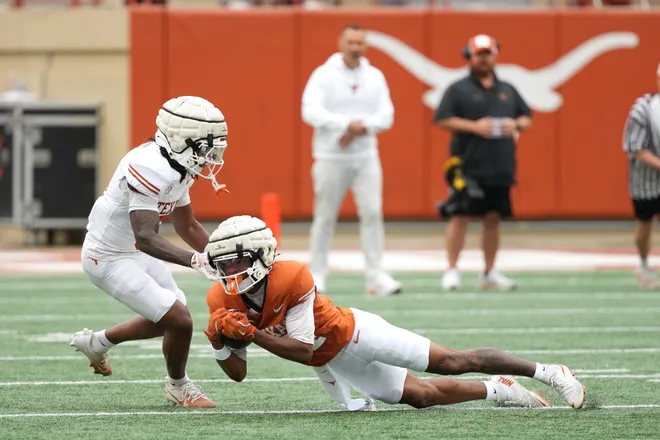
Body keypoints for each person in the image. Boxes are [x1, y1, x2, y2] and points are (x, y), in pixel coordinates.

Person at [201, 215, 586, 412]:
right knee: (421, 398)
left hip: (355, 333)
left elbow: (300, 348)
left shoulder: (292, 275)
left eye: (238, 262)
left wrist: (251, 334)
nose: (230, 273)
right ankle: (500, 390)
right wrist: (220, 341)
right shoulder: (220, 301)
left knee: (452, 361)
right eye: (224, 265)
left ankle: (550, 372)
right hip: (330, 359)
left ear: (262, 256)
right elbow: (238, 375)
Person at [69, 96, 230, 408]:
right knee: (180, 319)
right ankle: (178, 386)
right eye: (205, 147)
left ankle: (97, 342)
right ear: (182, 141)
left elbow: (187, 225)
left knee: (172, 315)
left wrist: (223, 258)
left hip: (133, 249)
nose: (211, 156)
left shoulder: (179, 164)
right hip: (107, 256)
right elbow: (145, 237)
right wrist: (195, 261)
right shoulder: (148, 166)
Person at [301, 23, 402, 297]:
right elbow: (310, 111)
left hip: (366, 156)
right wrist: (346, 124)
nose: (355, 48)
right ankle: (318, 273)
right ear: (341, 43)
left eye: (360, 43)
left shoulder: (375, 76)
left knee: (372, 213)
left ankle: (376, 275)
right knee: (325, 216)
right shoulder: (323, 75)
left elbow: (387, 114)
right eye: (351, 43)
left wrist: (362, 127)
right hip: (330, 156)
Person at [433, 34, 532, 292]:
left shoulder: (507, 88)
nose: (484, 59)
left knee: (493, 218)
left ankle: (489, 271)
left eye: (488, 53)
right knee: (460, 216)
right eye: (479, 54)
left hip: (500, 163)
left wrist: (517, 124)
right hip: (468, 163)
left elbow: (526, 117)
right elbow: (442, 119)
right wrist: (475, 127)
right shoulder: (458, 89)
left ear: (495, 55)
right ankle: (452, 269)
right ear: (469, 55)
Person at [622, 62, 660, 288]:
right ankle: (644, 263)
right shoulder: (643, 108)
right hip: (646, 180)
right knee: (645, 222)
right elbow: (635, 147)